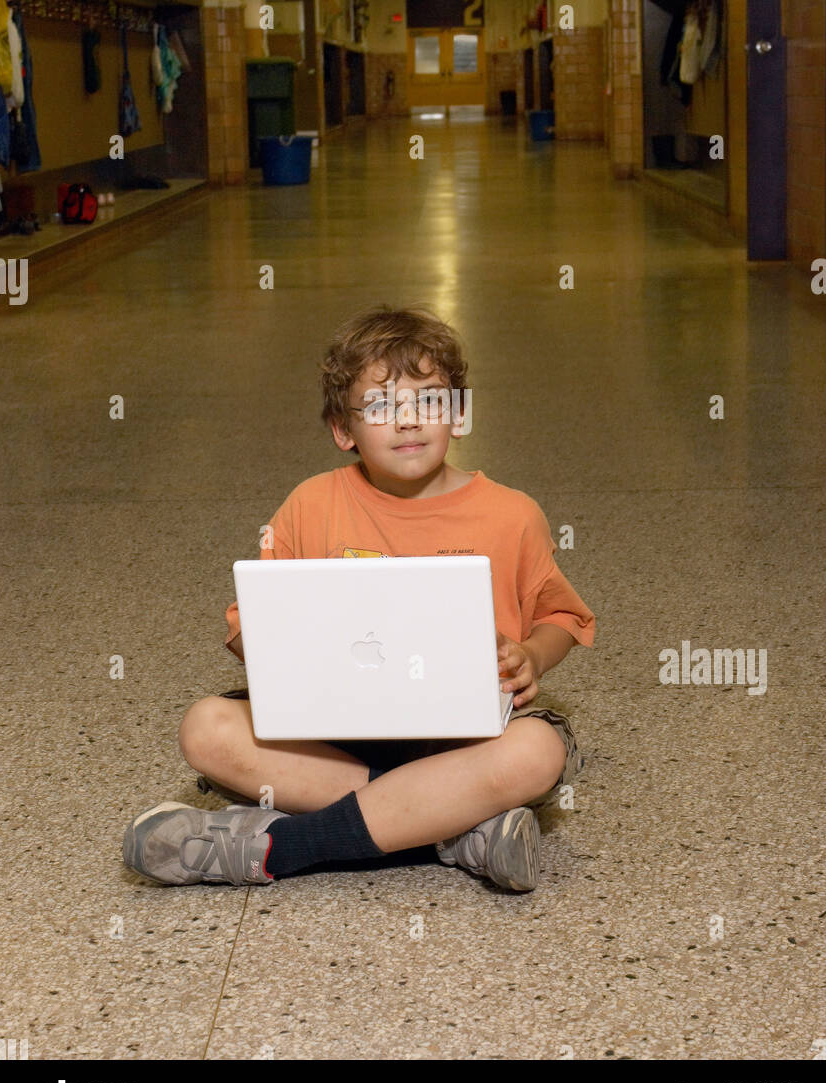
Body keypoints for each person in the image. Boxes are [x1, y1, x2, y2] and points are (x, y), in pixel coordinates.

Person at [123, 306, 595, 893]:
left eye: (430, 401)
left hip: (471, 737)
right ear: (342, 430)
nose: (407, 421)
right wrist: (279, 654)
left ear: (461, 414)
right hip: (341, 732)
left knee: (536, 753)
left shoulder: (512, 514)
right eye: (379, 407)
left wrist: (532, 654)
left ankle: (280, 848)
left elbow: (561, 616)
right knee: (206, 728)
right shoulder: (310, 504)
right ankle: (456, 826)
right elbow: (249, 623)